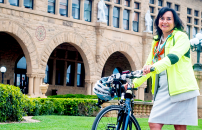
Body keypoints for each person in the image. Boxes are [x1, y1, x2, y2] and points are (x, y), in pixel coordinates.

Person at [127, 7, 200, 130]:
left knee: (179, 126)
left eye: (168, 19)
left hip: (181, 87)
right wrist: (133, 84)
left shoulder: (181, 37)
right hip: (163, 88)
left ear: (175, 22)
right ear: (157, 21)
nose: (164, 21)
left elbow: (173, 58)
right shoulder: (156, 41)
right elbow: (148, 66)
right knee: (154, 122)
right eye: (162, 18)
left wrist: (152, 67)